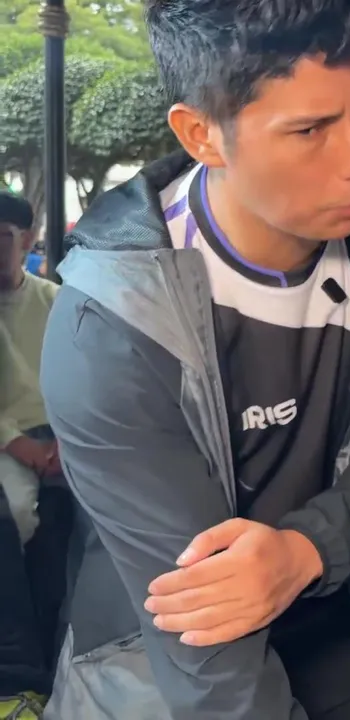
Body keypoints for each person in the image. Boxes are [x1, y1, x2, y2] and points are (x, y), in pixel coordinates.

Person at [38, 0, 350, 718]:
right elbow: (204, 642)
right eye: (309, 130)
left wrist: (309, 548)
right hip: (164, 675)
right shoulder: (108, 325)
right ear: (201, 134)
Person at [0, 191, 57, 718]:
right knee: (15, 514)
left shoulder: (54, 299)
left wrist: (65, 440)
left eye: (4, 237)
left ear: (27, 240)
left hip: (60, 435)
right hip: (9, 438)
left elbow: (85, 376)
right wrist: (22, 445)